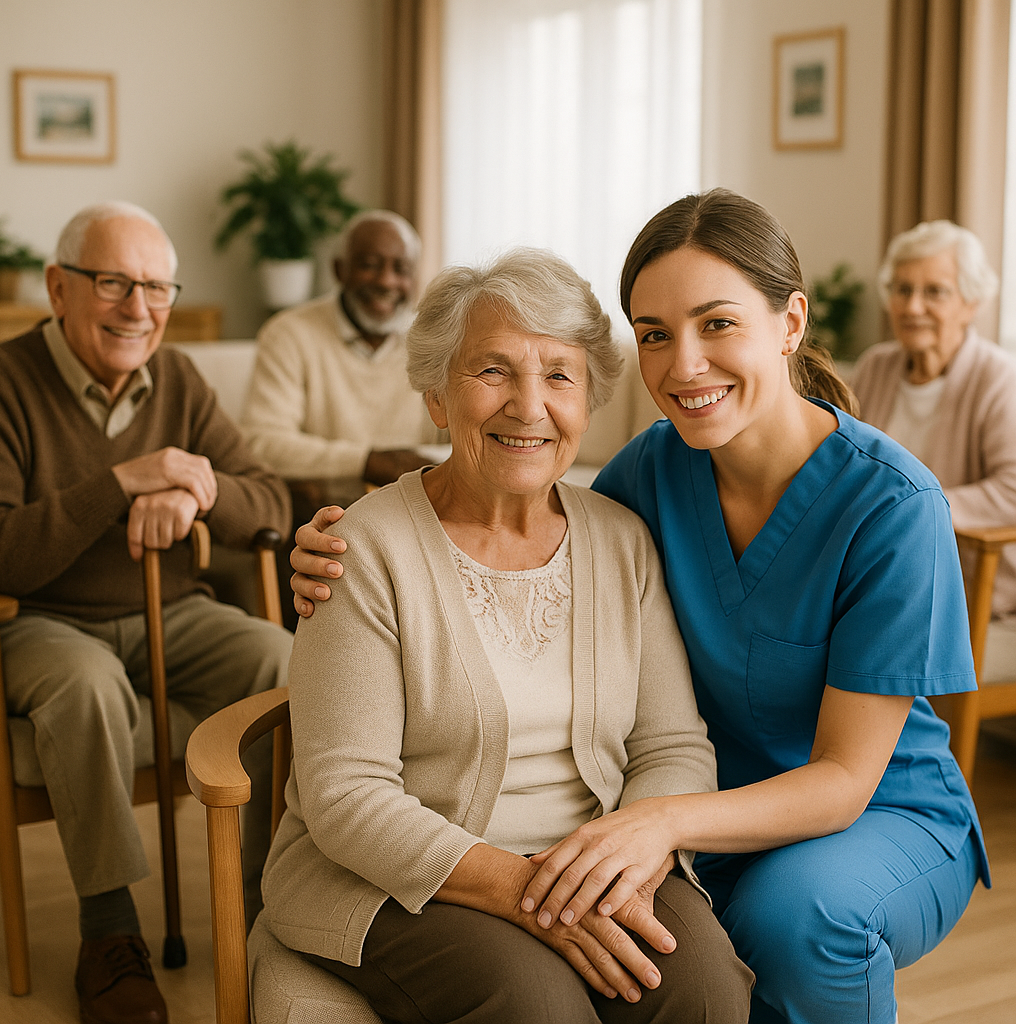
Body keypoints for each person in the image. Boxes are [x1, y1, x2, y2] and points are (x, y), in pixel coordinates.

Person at [288, 190, 989, 1024]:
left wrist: (653, 826)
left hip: (858, 810)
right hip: (687, 814)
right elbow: (520, 515)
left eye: (717, 324)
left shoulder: (892, 504)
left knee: (785, 922)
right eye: (654, 334)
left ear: (790, 324)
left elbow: (835, 779)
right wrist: (335, 555)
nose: (684, 364)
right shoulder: (651, 475)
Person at [261, 248, 753, 1024]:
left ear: (588, 401)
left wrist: (625, 863)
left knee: (703, 988)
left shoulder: (622, 540)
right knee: (537, 1005)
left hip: (592, 860)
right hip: (399, 875)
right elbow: (346, 795)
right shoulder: (362, 549)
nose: (529, 407)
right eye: (492, 371)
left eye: (559, 375)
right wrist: (526, 892)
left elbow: (672, 747)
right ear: (435, 395)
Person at [0, 202, 293, 1024]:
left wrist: (198, 484)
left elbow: (269, 501)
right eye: (114, 283)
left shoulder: (184, 382)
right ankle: (109, 933)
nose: (139, 308)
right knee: (87, 687)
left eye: (156, 287)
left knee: (286, 662)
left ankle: (275, 905)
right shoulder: (4, 382)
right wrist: (122, 482)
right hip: (42, 623)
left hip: (176, 615)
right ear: (59, 288)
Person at [852, 220, 1016, 624]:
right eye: (902, 290)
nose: (912, 307)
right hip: (874, 569)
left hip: (961, 582)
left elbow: (1012, 490)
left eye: (935, 292)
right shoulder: (876, 366)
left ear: (971, 303)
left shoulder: (998, 377)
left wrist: (915, 509)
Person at [240, 209, 441, 508]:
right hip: (327, 515)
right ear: (339, 270)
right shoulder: (288, 333)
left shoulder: (433, 339)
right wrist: (367, 461)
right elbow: (263, 444)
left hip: (422, 508)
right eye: (370, 265)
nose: (386, 281)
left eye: (401, 269)